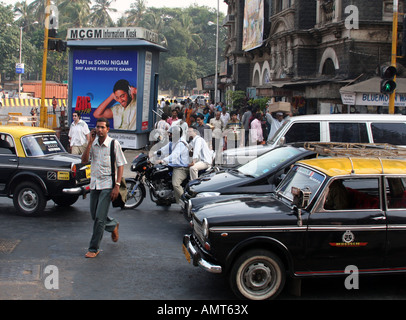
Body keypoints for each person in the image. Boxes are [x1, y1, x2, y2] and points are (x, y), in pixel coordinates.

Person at [81, 117, 127, 258]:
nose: (100, 130)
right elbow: (84, 161)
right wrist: (89, 143)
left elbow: (120, 165)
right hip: (95, 184)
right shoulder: (93, 144)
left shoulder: (114, 144)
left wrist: (117, 186)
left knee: (100, 219)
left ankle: (93, 248)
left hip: (108, 184)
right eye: (98, 127)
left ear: (107, 129)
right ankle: (113, 225)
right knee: (94, 215)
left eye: (103, 127)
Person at [155, 126, 190, 204]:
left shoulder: (181, 143)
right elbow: (163, 150)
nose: (169, 135)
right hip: (173, 165)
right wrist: (152, 155)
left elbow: (174, 155)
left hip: (181, 168)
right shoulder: (173, 142)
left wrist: (162, 160)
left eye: (171, 134)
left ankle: (185, 203)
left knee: (176, 184)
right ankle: (164, 199)